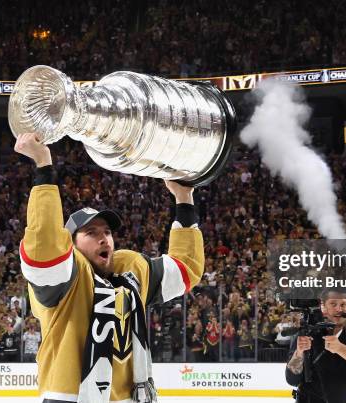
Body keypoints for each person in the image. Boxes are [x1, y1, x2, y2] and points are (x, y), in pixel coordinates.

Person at [14, 133, 204, 403]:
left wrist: (184, 198)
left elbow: (185, 269)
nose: (103, 238)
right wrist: (43, 167)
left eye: (106, 231)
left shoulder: (130, 273)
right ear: (70, 243)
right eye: (90, 233)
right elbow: (44, 248)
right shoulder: (64, 279)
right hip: (70, 398)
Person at [285, 289, 346, 403]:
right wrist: (299, 353)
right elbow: (292, 379)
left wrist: (339, 348)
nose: (339, 309)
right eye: (333, 304)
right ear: (323, 308)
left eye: (343, 304)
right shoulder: (306, 335)